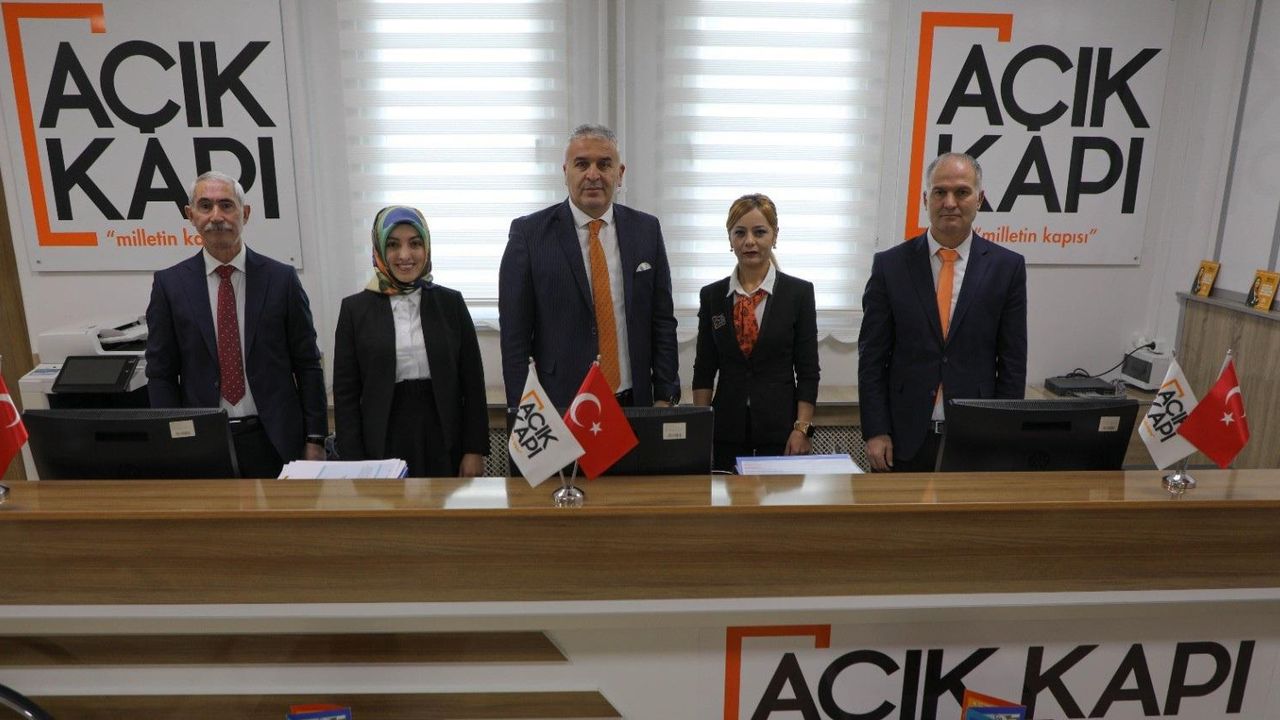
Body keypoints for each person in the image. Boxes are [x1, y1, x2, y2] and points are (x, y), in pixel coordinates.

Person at [145, 171, 327, 478]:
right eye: (205, 206)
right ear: (191, 215)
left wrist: (316, 439)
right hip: (202, 443)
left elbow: (307, 364)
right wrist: (171, 444)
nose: (216, 216)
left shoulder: (281, 280)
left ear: (245, 213)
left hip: (275, 440)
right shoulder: (170, 285)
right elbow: (161, 374)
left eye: (226, 205)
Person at [858, 153, 1027, 472]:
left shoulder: (1007, 268)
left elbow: (1012, 362)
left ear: (980, 199)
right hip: (903, 437)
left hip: (976, 436)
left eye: (962, 192)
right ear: (926, 199)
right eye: (940, 192)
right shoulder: (890, 266)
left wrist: (1004, 433)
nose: (950, 202)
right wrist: (876, 430)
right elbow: (872, 358)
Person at [499, 123, 680, 410]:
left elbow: (663, 321)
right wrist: (526, 413)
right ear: (566, 172)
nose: (593, 175)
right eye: (582, 164)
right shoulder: (529, 235)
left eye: (604, 164)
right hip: (561, 407)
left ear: (620, 174)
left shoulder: (646, 230)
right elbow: (514, 339)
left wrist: (665, 395)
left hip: (635, 403)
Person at [332, 206, 488, 477]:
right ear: (379, 249)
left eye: (414, 243)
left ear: (426, 247)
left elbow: (472, 383)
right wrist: (354, 462)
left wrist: (474, 450)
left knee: (444, 505)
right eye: (393, 245)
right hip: (382, 438)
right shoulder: (354, 310)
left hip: (444, 437)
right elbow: (346, 395)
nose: (405, 255)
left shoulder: (450, 303)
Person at [692, 194, 820, 472]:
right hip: (725, 430)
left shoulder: (798, 293)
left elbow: (808, 370)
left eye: (759, 232)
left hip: (781, 430)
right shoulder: (712, 296)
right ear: (730, 239)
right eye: (740, 233)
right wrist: (700, 431)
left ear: (774, 236)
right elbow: (704, 369)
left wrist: (802, 429)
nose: (749, 241)